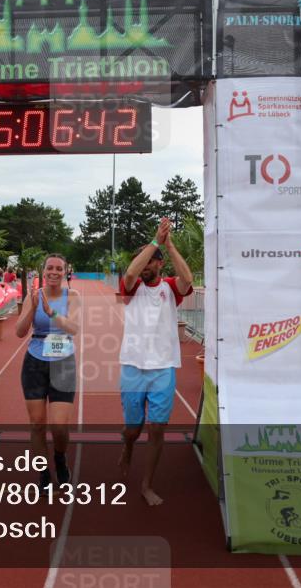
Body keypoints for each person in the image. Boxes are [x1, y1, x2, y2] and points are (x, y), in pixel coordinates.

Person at [117, 217, 194, 506]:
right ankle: (126, 446)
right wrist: (153, 242)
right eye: (143, 260)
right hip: (133, 367)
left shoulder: (171, 288)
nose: (145, 265)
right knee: (133, 430)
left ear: (160, 264)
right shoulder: (132, 287)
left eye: (151, 261)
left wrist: (169, 244)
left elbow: (188, 279)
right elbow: (129, 273)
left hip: (163, 368)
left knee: (157, 429)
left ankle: (147, 484)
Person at [15, 253, 80, 490]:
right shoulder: (32, 296)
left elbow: (73, 328)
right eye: (49, 268)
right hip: (34, 360)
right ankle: (43, 471)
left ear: (65, 272)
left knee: (60, 426)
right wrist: (32, 307)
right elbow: (20, 332)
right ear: (43, 271)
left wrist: (51, 312)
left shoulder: (72, 296)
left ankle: (60, 457)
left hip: (63, 361)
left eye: (58, 269)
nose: (54, 272)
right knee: (37, 424)